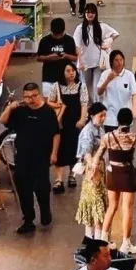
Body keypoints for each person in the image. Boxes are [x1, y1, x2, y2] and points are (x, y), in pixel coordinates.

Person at [0, 82, 60, 234]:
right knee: (23, 188)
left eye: (34, 96)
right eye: (27, 97)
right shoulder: (20, 111)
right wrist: (10, 107)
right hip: (22, 157)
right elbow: (3, 121)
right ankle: (28, 220)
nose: (31, 100)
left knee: (41, 187)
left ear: (39, 95)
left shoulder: (48, 112)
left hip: (41, 156)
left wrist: (54, 153)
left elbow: (56, 134)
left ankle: (45, 213)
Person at [100, 107, 136, 254]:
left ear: (117, 120)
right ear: (131, 121)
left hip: (112, 173)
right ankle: (126, 243)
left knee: (112, 206)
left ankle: (103, 240)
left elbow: (101, 152)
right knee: (127, 209)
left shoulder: (108, 137)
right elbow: (134, 146)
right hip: (127, 174)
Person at [52, 60, 88, 194]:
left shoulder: (81, 86)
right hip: (61, 123)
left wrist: (82, 120)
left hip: (75, 123)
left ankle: (72, 176)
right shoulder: (56, 86)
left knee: (74, 149)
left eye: (73, 70)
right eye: (68, 71)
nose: (71, 73)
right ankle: (58, 180)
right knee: (59, 150)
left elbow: (84, 104)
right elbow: (50, 102)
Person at [75, 102, 109, 238]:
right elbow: (87, 153)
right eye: (101, 115)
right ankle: (93, 237)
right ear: (92, 116)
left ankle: (96, 237)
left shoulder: (99, 129)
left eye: (105, 115)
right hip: (92, 173)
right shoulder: (88, 132)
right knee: (93, 204)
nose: (103, 118)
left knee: (98, 204)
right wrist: (93, 168)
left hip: (99, 170)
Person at [74, 3, 118, 96]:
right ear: (85, 13)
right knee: (85, 88)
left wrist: (108, 41)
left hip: (98, 63)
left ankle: (96, 103)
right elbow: (77, 46)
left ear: (96, 14)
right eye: (88, 12)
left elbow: (115, 34)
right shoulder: (80, 28)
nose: (90, 14)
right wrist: (80, 61)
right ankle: (86, 104)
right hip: (85, 63)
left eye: (92, 12)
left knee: (96, 87)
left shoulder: (102, 26)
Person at [98, 49, 136, 124]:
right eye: (116, 60)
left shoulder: (129, 75)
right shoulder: (105, 74)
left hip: (125, 116)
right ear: (111, 62)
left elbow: (135, 94)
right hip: (110, 117)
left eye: (121, 60)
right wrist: (108, 80)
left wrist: (134, 110)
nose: (119, 63)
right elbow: (99, 92)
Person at [37, 17, 78, 91]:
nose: (58, 37)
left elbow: (75, 58)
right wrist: (49, 57)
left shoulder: (69, 40)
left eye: (60, 35)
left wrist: (66, 56)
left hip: (66, 79)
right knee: (48, 97)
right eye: (55, 35)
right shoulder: (45, 40)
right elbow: (39, 58)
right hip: (48, 77)